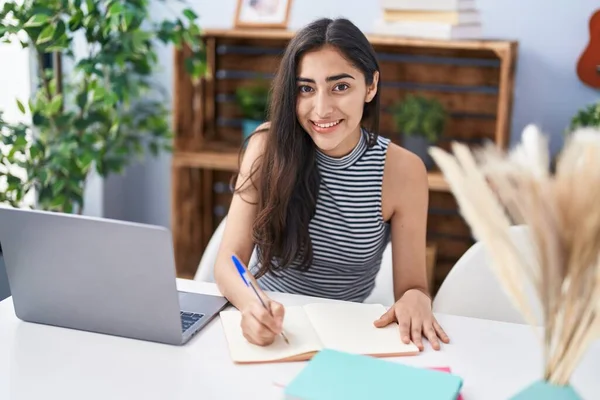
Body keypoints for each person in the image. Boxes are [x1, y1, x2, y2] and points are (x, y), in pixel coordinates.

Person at [213, 17, 449, 351]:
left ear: (370, 86)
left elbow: (412, 287)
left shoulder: (404, 171)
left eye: (340, 86)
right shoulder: (267, 147)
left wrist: (415, 299)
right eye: (306, 89)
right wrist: (252, 306)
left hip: (347, 334)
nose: (321, 109)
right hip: (270, 322)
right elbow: (228, 262)